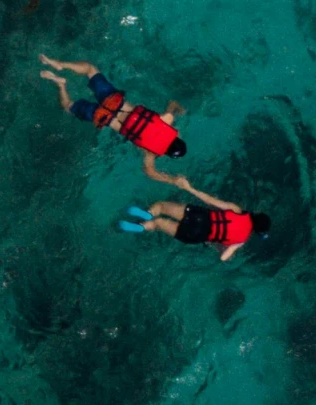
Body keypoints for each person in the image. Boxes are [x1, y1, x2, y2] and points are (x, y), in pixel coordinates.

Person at [38, 53, 187, 159]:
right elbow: (149, 169)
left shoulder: (167, 120)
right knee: (68, 106)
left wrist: (178, 109)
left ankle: (60, 64)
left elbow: (172, 104)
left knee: (90, 69)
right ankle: (61, 85)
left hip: (114, 100)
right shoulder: (151, 151)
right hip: (105, 118)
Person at [118, 179, 271, 261]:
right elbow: (224, 258)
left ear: (256, 214)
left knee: (161, 206)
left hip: (200, 216)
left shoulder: (237, 210)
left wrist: (189, 188)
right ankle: (143, 226)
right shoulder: (241, 241)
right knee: (159, 224)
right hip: (196, 236)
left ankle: (148, 213)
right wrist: (218, 245)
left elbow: (210, 201)